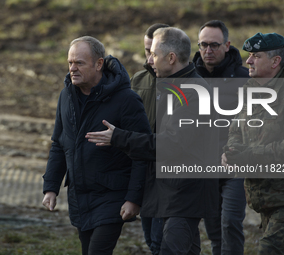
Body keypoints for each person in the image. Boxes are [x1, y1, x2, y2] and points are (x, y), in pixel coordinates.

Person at [87, 27, 220, 255]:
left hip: (184, 194)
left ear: (171, 58)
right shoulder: (169, 86)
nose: (149, 60)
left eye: (154, 55)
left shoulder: (194, 93)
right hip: (167, 191)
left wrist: (118, 137)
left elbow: (171, 144)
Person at [41, 36, 151, 255]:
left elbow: (142, 152)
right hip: (80, 196)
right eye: (70, 63)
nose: (72, 68)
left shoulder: (126, 100)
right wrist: (51, 187)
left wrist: (133, 199)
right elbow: (58, 145)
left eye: (79, 63)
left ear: (99, 64)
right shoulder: (66, 97)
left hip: (113, 196)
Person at [222, 32, 284, 254]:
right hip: (265, 197)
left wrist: (249, 155)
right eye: (249, 55)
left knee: (269, 250)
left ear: (275, 61)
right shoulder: (251, 90)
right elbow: (235, 129)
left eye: (255, 56)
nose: (248, 61)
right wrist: (230, 151)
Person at [192, 20, 249, 255]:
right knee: (214, 230)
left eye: (214, 45)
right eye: (203, 45)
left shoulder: (246, 79)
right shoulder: (189, 78)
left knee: (230, 223)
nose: (208, 50)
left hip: (235, 167)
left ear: (227, 45)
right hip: (204, 168)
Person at [130, 23, 169, 255]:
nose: (150, 58)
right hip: (145, 172)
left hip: (172, 175)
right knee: (149, 237)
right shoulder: (138, 81)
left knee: (161, 242)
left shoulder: (187, 81)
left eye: (154, 52)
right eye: (147, 51)